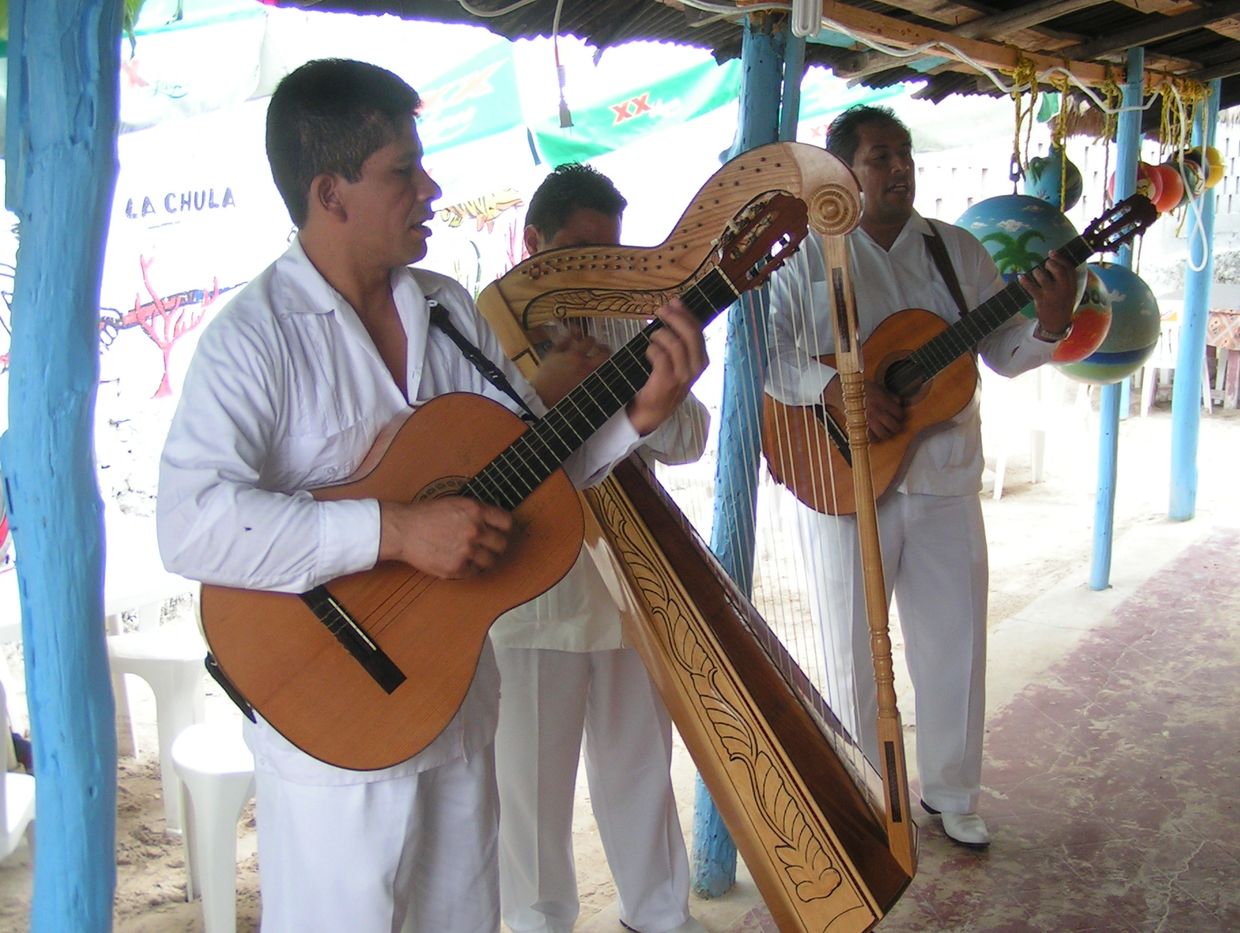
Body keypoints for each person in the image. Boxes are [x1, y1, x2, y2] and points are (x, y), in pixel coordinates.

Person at [156, 59, 706, 933]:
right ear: (330, 192)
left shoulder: (447, 309)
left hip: (455, 705)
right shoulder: (252, 338)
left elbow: (528, 466)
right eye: (402, 171)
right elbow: (189, 522)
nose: (431, 187)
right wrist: (394, 529)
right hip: (334, 723)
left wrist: (634, 414)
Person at [765, 104, 1077, 848]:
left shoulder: (957, 251)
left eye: (904, 155)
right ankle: (869, 793)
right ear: (843, 173)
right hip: (840, 480)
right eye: (880, 157)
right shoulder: (803, 256)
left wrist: (1052, 322)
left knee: (956, 642)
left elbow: (1001, 353)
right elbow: (766, 358)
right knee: (847, 650)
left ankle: (953, 791)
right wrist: (834, 390)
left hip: (940, 478)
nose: (898, 168)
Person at [489, 163, 709, 933]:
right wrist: (542, 394)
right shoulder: (484, 328)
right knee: (530, 795)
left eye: (609, 255)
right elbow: (475, 466)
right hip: (528, 597)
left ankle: (658, 912)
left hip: (629, 577)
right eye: (578, 254)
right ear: (534, 244)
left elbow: (688, 438)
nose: (594, 272)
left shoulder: (627, 321)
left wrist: (664, 397)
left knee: (641, 767)